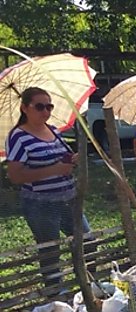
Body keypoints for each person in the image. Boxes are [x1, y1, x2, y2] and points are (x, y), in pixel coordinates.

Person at [5, 87, 95, 288]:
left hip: (68, 199)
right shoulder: (18, 137)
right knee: (51, 251)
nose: (45, 111)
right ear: (24, 108)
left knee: (86, 241)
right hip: (41, 204)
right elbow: (15, 175)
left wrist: (72, 160)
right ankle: (56, 293)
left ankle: (88, 285)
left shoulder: (54, 130)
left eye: (49, 106)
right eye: (39, 107)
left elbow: (61, 159)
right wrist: (54, 170)